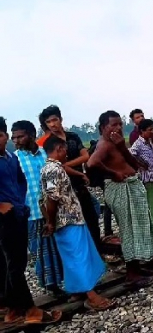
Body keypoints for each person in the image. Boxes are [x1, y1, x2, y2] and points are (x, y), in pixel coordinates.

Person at [87, 110, 153, 286]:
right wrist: (113, 173)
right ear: (103, 127)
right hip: (120, 188)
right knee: (129, 230)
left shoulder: (117, 143)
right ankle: (132, 274)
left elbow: (133, 165)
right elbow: (91, 163)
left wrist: (122, 147)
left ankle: (136, 268)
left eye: (120, 124)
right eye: (113, 124)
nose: (118, 127)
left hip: (130, 184)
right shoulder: (104, 145)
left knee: (138, 228)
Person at [40, 135, 115, 311]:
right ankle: (91, 296)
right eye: (65, 150)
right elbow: (52, 198)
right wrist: (50, 222)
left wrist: (80, 174)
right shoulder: (52, 170)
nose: (66, 154)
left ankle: (77, 290)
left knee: (74, 256)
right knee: (77, 256)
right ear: (58, 149)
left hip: (71, 218)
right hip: (67, 220)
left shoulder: (54, 168)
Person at [0, 116, 62, 325]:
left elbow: (20, 181)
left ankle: (13, 308)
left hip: (20, 214)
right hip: (5, 220)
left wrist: (19, 203)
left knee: (15, 263)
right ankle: (30, 309)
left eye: (0, 136)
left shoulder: (10, 157)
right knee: (15, 265)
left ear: (4, 136)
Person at [11, 121, 64, 296]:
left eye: (20, 136)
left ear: (32, 135)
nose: (16, 140)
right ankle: (50, 286)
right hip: (31, 213)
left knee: (58, 247)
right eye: (14, 137)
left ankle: (62, 281)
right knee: (40, 251)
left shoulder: (45, 154)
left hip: (53, 209)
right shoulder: (15, 159)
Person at [39, 105, 101, 250]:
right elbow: (55, 165)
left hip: (79, 184)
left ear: (61, 119)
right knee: (75, 224)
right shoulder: (49, 143)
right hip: (64, 190)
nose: (53, 124)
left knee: (91, 219)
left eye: (55, 120)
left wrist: (65, 165)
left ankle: (98, 252)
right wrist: (64, 166)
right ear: (46, 125)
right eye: (49, 122)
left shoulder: (73, 136)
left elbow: (86, 156)